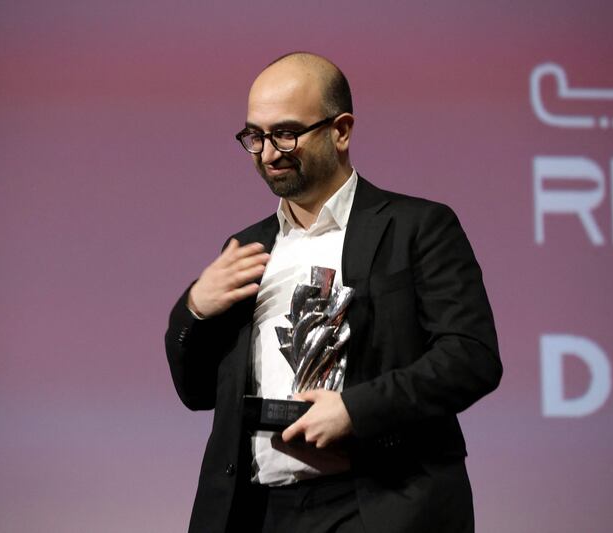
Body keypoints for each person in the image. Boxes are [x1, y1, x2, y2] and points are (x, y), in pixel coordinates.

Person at [165, 52, 502, 533]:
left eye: (285, 133)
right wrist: (194, 309)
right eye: (254, 137)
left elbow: (470, 356)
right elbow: (197, 393)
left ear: (340, 130)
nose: (267, 152)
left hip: (378, 504)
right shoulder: (247, 249)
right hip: (258, 512)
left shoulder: (417, 227)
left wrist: (355, 411)